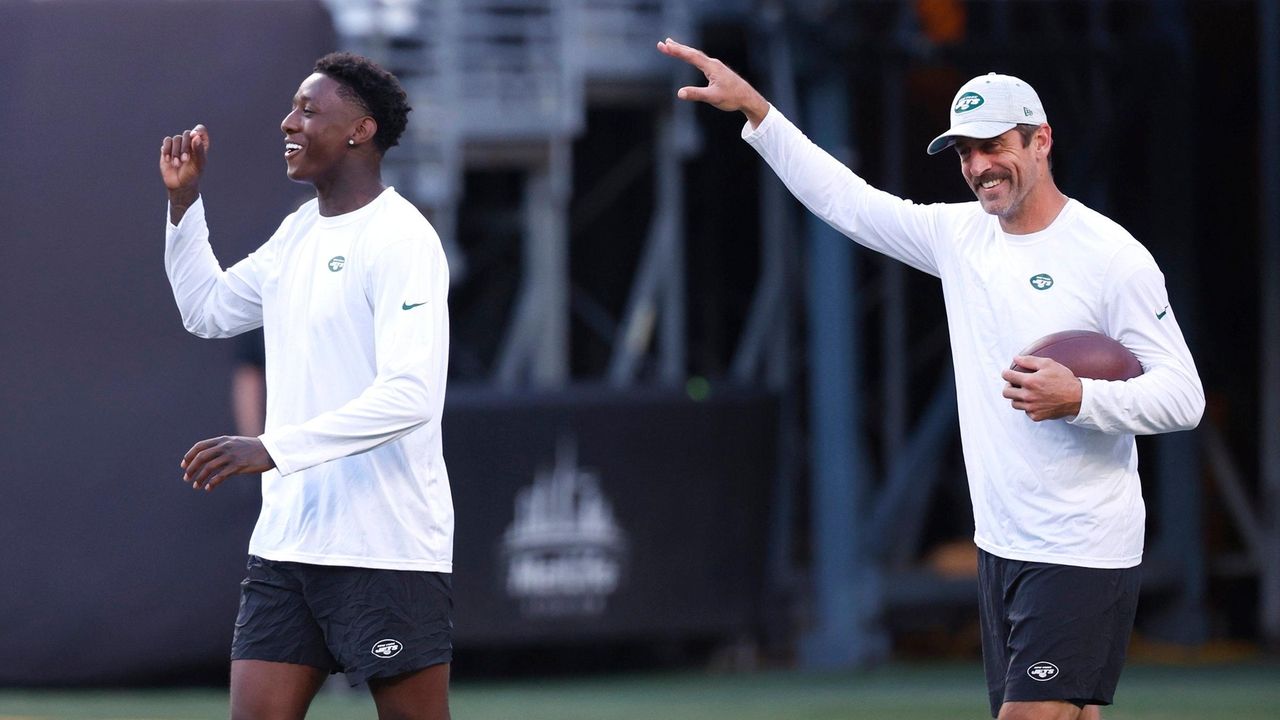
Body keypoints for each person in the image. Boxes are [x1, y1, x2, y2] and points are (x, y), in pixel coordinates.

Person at [657, 38, 1204, 720]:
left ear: (1041, 141)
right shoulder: (959, 236)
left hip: (1081, 544)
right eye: (964, 153)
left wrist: (1081, 396)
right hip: (1001, 546)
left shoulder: (1113, 257)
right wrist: (759, 113)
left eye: (992, 145)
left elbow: (1185, 398)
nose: (978, 167)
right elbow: (850, 204)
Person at [159, 52, 453, 720]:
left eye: (308, 109)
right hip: (287, 546)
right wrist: (184, 204)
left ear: (361, 129)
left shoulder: (403, 239)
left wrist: (273, 447)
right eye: (293, 108)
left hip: (386, 546)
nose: (288, 121)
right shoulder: (297, 234)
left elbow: (409, 396)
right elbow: (207, 310)